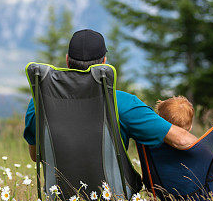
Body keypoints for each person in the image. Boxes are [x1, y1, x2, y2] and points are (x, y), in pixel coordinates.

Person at [23, 29, 198, 162]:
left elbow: (36, 156)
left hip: (60, 197)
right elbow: (181, 140)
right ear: (104, 63)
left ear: (68, 61)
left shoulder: (39, 103)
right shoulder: (124, 104)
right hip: (113, 200)